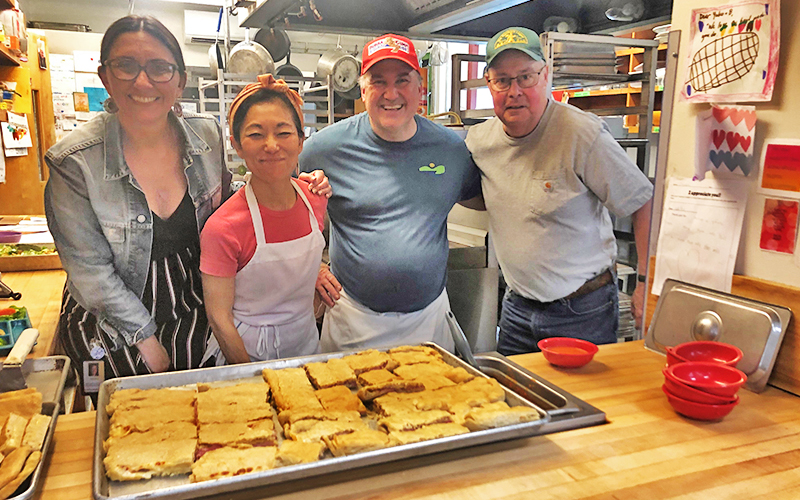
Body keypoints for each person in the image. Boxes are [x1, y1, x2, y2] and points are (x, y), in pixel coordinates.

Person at [465, 27, 654, 355]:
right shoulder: (480, 142)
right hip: (517, 309)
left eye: (525, 77)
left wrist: (645, 284)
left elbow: (643, 202)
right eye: (502, 80)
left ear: (545, 75)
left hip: (582, 311)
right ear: (489, 84)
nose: (514, 91)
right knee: (514, 402)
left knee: (582, 405)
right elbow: (489, 197)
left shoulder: (581, 134)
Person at [300, 33, 482, 353]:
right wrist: (311, 267)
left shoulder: (451, 149)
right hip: (353, 320)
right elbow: (280, 207)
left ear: (420, 88)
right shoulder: (323, 148)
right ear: (362, 89)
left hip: (428, 321)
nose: (391, 93)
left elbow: (481, 197)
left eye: (402, 80)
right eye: (378, 81)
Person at [199, 75, 328, 364]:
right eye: (256, 134)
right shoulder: (223, 227)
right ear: (237, 145)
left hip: (307, 347)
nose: (271, 145)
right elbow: (219, 319)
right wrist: (251, 377)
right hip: (246, 354)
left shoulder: (316, 198)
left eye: (283, 133)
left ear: (300, 141)